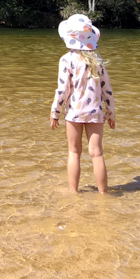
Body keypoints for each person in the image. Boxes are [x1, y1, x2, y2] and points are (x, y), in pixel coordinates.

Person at [50, 14, 115, 194]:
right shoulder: (98, 60)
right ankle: (103, 194)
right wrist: (110, 114)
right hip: (96, 112)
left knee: (74, 152)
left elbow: (62, 91)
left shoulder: (66, 60)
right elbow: (106, 90)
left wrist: (55, 112)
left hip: (74, 113)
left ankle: (74, 193)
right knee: (97, 153)